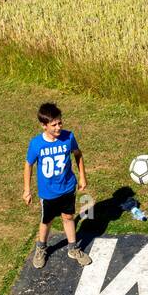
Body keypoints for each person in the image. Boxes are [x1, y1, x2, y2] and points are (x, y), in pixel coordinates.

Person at [24, 102, 92, 268]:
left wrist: (82, 177)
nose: (58, 127)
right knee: (47, 220)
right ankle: (41, 248)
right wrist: (27, 189)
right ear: (44, 125)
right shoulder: (36, 144)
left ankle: (73, 248)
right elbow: (28, 165)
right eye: (53, 125)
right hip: (48, 192)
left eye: (60, 122)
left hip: (68, 187)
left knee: (68, 217)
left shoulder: (69, 137)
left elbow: (78, 155)